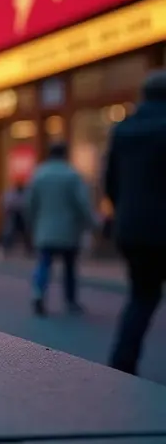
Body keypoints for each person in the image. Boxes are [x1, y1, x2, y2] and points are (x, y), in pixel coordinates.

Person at [106, 71, 166, 375]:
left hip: (133, 229)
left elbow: (110, 182)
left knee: (141, 297)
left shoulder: (124, 129)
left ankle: (122, 362)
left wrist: (126, 211)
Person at [25, 142, 94, 316]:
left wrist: (32, 223)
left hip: (45, 228)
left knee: (44, 263)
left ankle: (38, 293)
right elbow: (82, 203)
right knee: (69, 267)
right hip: (68, 229)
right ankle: (70, 301)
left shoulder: (39, 175)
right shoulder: (72, 175)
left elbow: (30, 203)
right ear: (65, 154)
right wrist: (92, 223)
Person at [2, 182, 32, 257]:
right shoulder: (12, 192)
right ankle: (7, 248)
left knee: (24, 232)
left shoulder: (25, 192)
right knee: (10, 231)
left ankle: (28, 249)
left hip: (21, 213)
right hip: (14, 213)